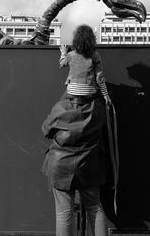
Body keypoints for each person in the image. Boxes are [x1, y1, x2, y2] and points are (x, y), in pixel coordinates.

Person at [41, 24, 112, 236]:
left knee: (64, 213)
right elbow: (99, 78)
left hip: (61, 170)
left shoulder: (60, 108)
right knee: (95, 207)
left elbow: (45, 129)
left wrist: (63, 52)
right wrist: (106, 96)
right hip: (90, 168)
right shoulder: (99, 111)